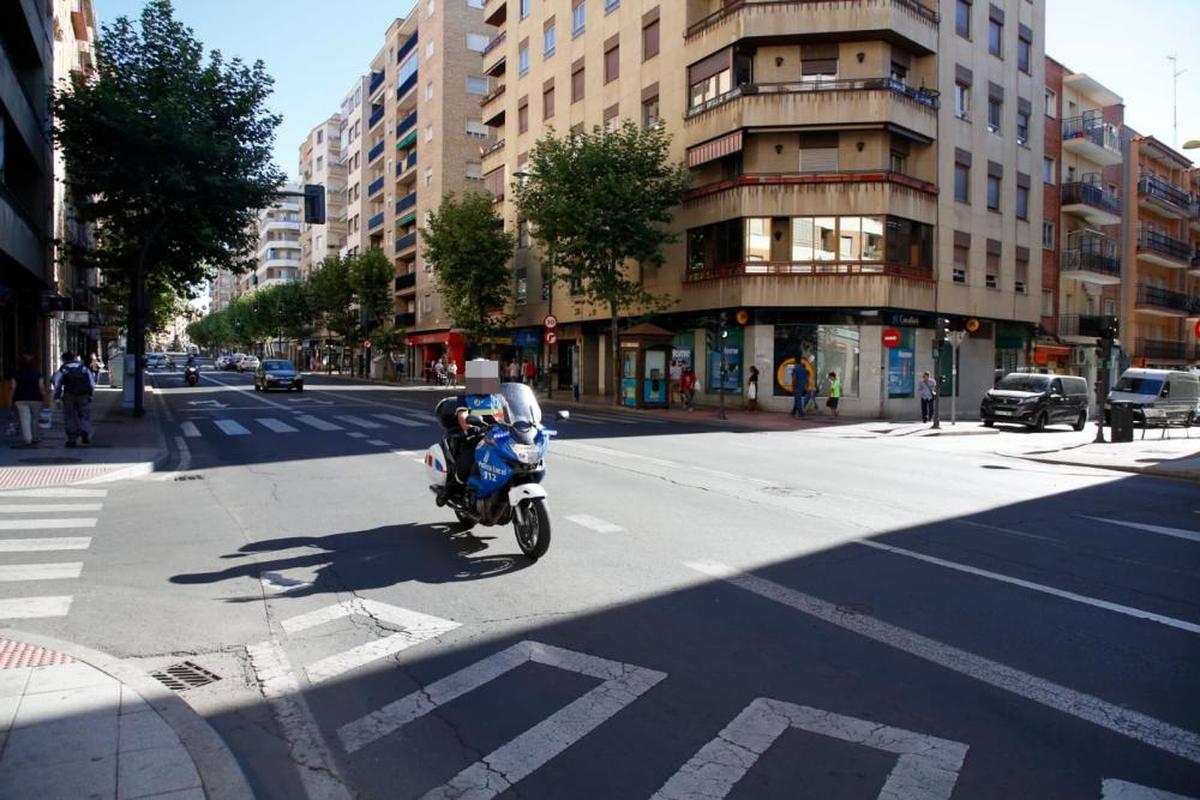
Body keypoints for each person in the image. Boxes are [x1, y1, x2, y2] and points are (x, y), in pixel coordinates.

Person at [51, 352, 95, 447]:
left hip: (69, 395)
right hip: (83, 395)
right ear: (74, 358)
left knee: (69, 416)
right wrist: (90, 395)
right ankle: (85, 431)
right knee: (84, 414)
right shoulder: (83, 368)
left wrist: (57, 398)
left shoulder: (64, 369)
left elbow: (57, 383)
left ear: (63, 359)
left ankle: (72, 439)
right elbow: (91, 383)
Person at [7, 354, 46, 448]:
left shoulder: (16, 374)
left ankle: (27, 439)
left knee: (25, 419)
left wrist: (10, 400)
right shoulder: (37, 373)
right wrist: (45, 398)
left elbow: (13, 388)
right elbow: (41, 387)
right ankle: (35, 437)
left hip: (20, 399)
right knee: (35, 418)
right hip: (36, 399)